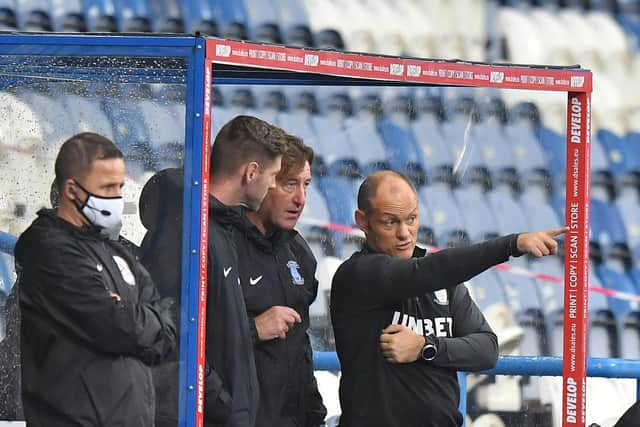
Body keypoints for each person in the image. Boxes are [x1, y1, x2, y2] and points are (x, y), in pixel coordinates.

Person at [330, 170, 566, 427]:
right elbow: (425, 272)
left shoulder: (441, 282)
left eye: (411, 219)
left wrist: (425, 347)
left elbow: (487, 350)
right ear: (362, 221)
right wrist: (512, 244)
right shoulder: (357, 275)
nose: (405, 233)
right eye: (390, 222)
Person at [14, 132, 177, 427]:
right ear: (72, 189)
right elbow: (112, 326)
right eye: (106, 188)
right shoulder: (49, 248)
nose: (115, 198)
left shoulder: (117, 250)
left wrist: (133, 313)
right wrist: (137, 314)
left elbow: (167, 331)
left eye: (119, 188)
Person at [225, 135, 327, 427]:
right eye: (289, 184)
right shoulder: (221, 244)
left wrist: (314, 417)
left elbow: (301, 347)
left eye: (305, 185)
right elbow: (190, 334)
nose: (301, 199)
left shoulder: (299, 252)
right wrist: (254, 329)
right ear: (261, 180)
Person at [204, 115, 288, 426]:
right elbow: (178, 341)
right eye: (274, 176)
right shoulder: (194, 231)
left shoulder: (224, 230)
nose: (273, 186)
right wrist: (228, 408)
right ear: (252, 172)